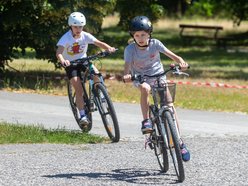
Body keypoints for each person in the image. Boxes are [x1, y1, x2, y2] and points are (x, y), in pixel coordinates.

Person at [122, 16, 190, 161]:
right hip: (141, 78)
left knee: (170, 107)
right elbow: (127, 68)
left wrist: (182, 62)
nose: (140, 38)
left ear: (149, 33)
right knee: (145, 89)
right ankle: (146, 121)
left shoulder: (156, 44)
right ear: (133, 36)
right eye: (137, 35)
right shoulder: (130, 49)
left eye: (143, 35)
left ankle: (179, 142)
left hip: (159, 76)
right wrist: (127, 75)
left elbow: (174, 56)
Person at [56, 12, 116, 128]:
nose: (78, 29)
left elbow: (98, 43)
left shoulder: (85, 35)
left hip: (83, 60)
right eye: (75, 27)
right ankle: (83, 116)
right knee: (79, 89)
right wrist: (63, 60)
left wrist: (108, 48)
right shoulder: (65, 38)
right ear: (71, 26)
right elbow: (59, 52)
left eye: (80, 26)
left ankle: (101, 94)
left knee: (96, 73)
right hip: (71, 64)